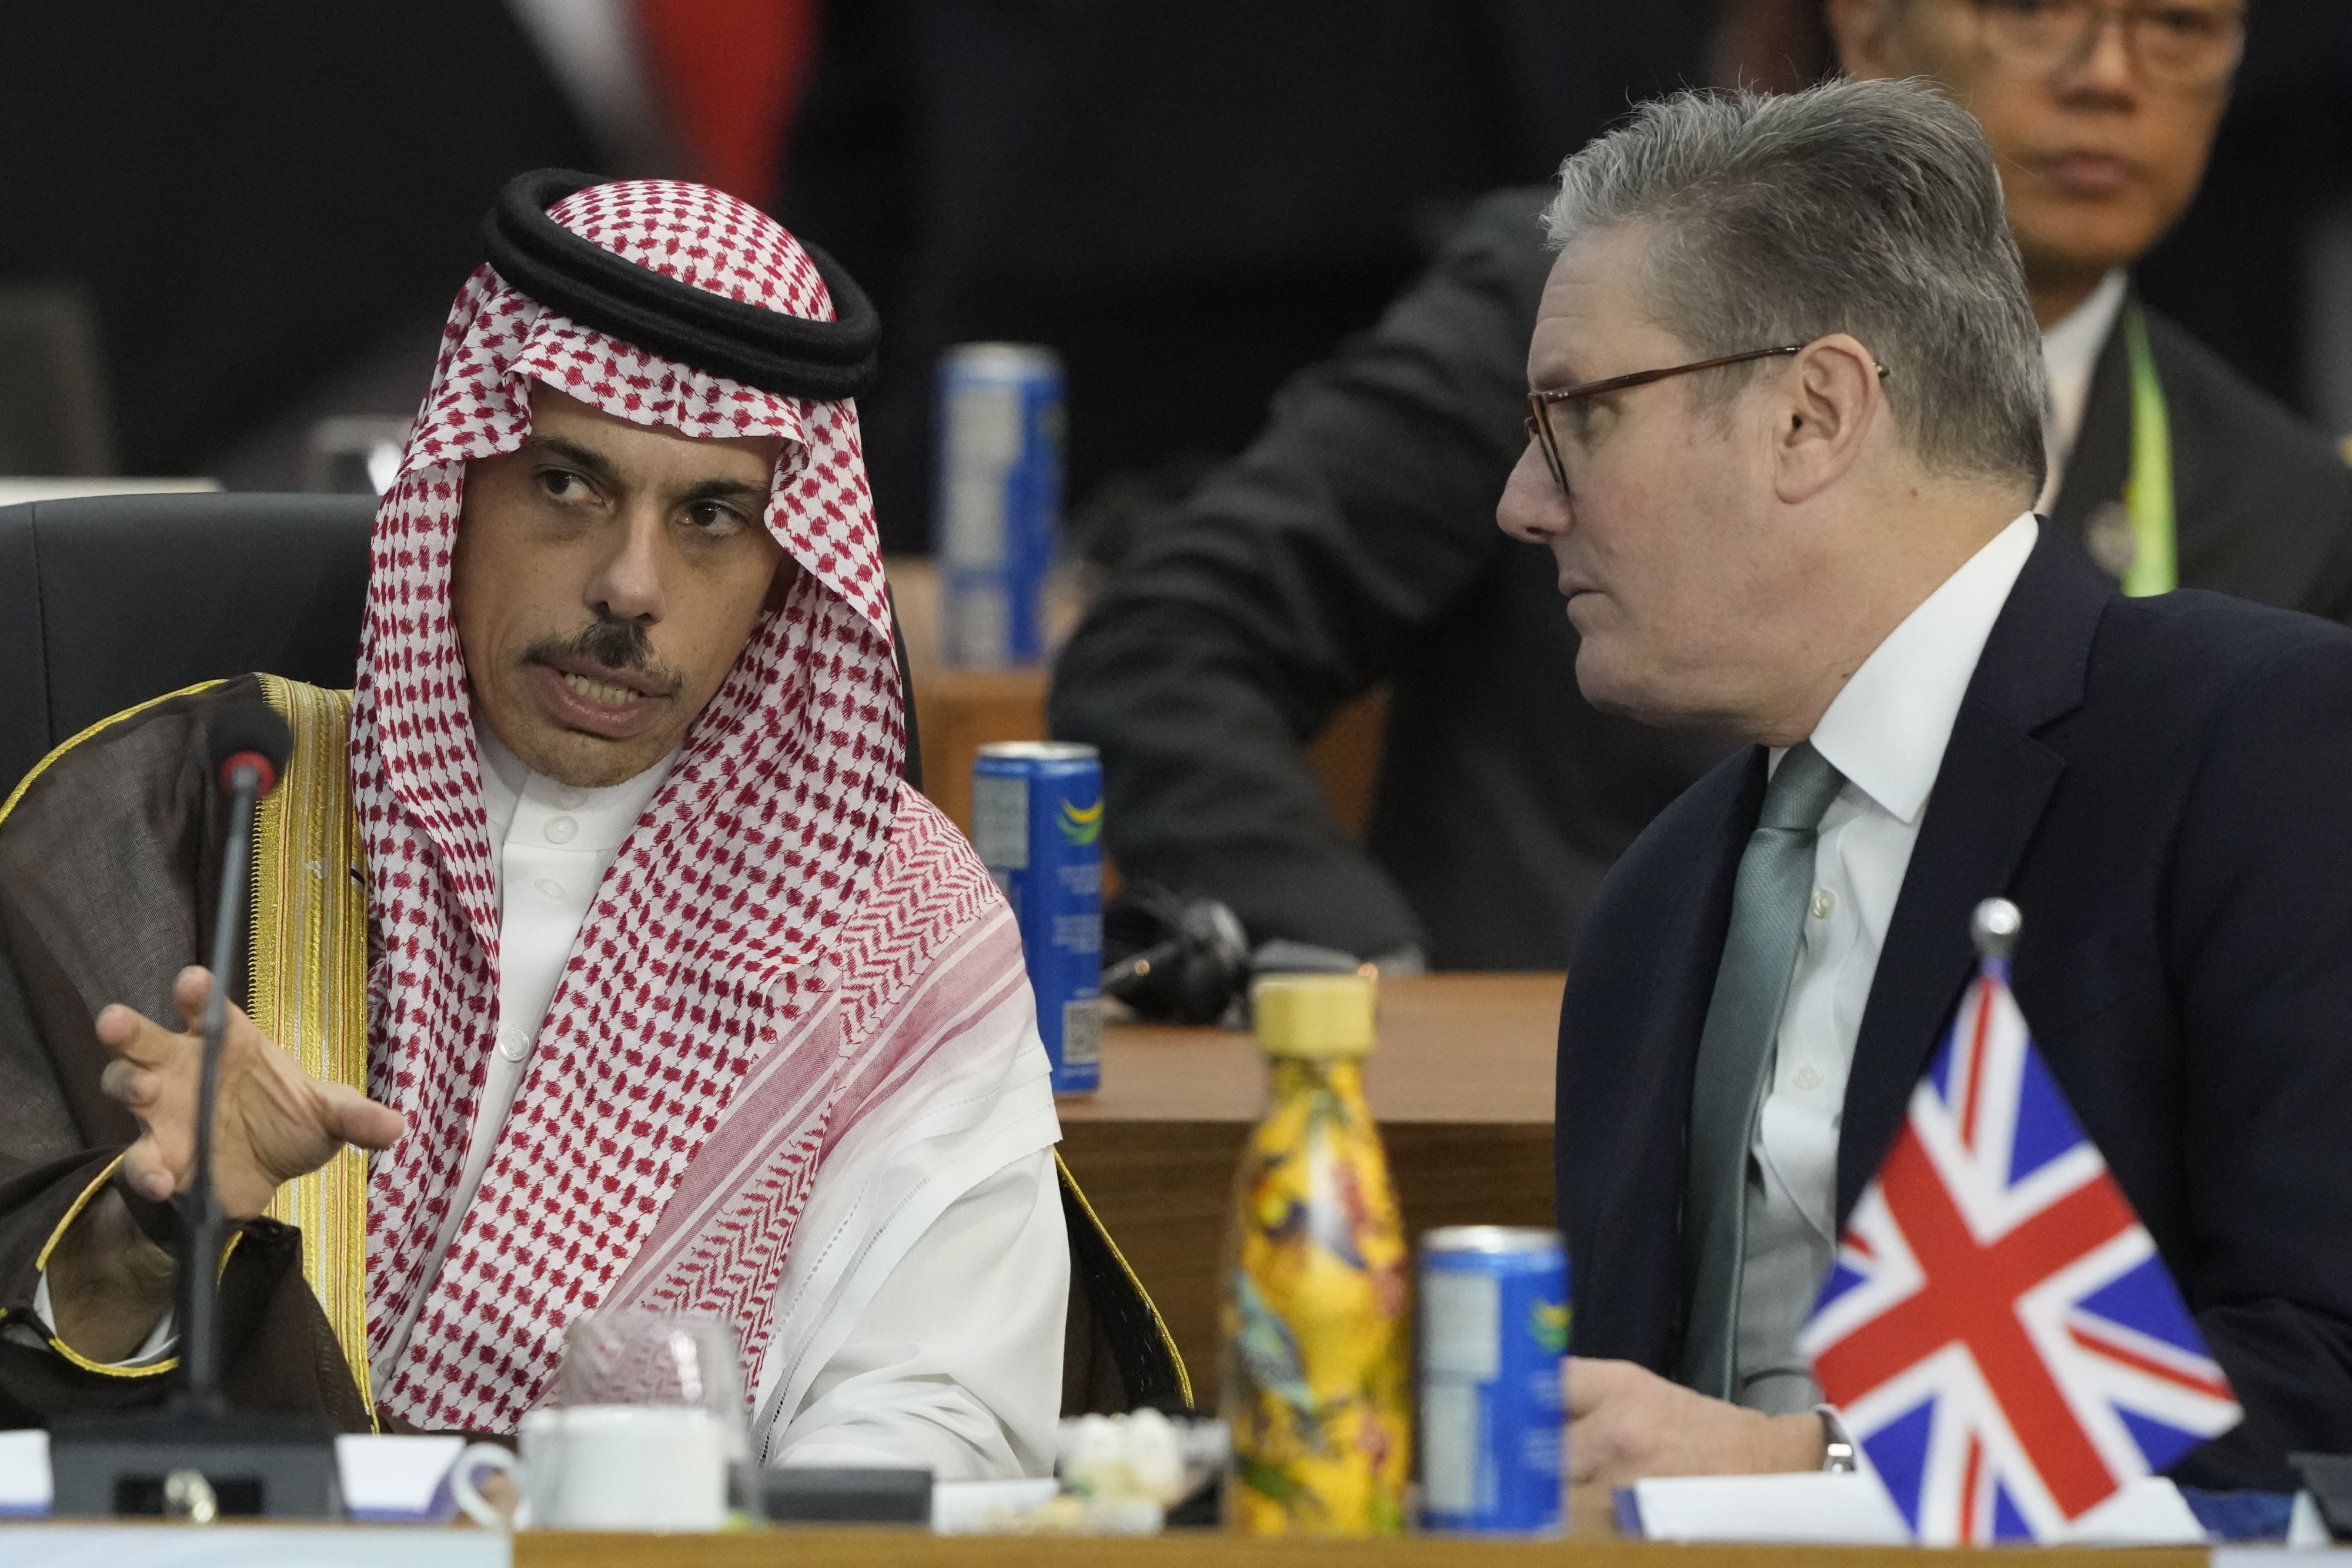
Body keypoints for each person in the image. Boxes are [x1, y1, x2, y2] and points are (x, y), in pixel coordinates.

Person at [0, 175, 1173, 1472]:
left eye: (710, 516)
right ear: (460, 486)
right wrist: (151, 1230)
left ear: (788, 563)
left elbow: (939, 1421)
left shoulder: (894, 918)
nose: (629, 586)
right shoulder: (181, 817)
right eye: (568, 484)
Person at [1050, 0, 2352, 971]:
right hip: (1532, 1129)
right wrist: (1366, 978)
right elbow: (1171, 644)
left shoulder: (2281, 500)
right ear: (1869, 26)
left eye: (2178, 26)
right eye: (2034, 8)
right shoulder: (1578, 313)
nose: (2109, 77)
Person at [1509, 81, 2352, 1491]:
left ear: (1811, 414)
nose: (1523, 502)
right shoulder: (1650, 906)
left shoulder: (2266, 750)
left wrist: (1822, 1466)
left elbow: (2326, 1371)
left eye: (1576, 417)